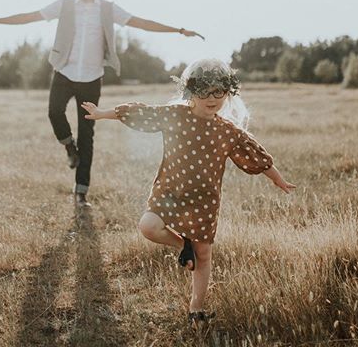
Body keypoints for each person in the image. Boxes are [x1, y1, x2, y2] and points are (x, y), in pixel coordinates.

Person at [0, 0, 204, 207]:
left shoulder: (109, 9)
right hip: (64, 72)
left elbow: (140, 22)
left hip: (92, 77)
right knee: (54, 112)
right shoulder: (64, 5)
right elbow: (30, 17)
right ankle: (69, 146)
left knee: (87, 134)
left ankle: (81, 192)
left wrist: (179, 30)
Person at [81, 58, 296, 327]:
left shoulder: (227, 131)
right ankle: (184, 247)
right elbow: (141, 113)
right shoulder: (175, 115)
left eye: (219, 92)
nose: (212, 98)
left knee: (204, 255)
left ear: (228, 94)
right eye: (204, 91)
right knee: (148, 226)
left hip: (204, 203)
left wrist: (279, 179)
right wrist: (103, 113)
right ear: (190, 92)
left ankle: (196, 309)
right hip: (170, 191)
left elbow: (256, 155)